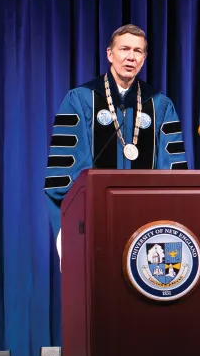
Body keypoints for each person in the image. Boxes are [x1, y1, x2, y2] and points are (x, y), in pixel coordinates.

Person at [44, 24, 188, 256]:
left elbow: (171, 170)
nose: (131, 57)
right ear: (110, 54)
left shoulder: (160, 105)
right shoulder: (80, 100)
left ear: (144, 59)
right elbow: (69, 170)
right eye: (124, 49)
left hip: (147, 221)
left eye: (138, 51)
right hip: (95, 219)